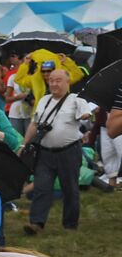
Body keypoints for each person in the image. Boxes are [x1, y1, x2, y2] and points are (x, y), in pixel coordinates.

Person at [22, 65, 94, 234]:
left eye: (58, 80)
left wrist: (85, 116)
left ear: (67, 82)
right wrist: (24, 144)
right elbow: (34, 124)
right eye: (51, 80)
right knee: (41, 187)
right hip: (45, 152)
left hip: (68, 151)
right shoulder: (44, 100)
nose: (54, 84)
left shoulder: (77, 99)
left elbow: (86, 116)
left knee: (70, 188)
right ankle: (36, 223)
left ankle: (70, 225)